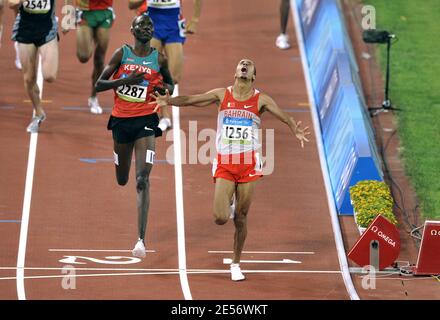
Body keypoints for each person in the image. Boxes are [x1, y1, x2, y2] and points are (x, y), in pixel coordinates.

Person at [152, 59, 310, 281]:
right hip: (225, 163)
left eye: (249, 64)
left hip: (249, 165)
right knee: (220, 217)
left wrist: (295, 129)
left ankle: (236, 263)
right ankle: (230, 203)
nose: (244, 64)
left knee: (241, 218)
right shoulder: (221, 94)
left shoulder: (260, 99)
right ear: (235, 72)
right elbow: (191, 100)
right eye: (240, 63)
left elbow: (283, 115)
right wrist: (169, 100)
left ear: (253, 75)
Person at [95, 13, 174, 258]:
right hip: (121, 121)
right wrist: (126, 80)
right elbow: (99, 84)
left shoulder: (159, 58)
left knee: (142, 179)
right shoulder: (122, 54)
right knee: (122, 179)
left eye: (150, 26)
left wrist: (164, 89)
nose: (147, 28)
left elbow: (171, 85)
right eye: (142, 25)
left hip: (146, 121)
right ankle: (120, 163)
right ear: (132, 29)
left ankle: (141, 239)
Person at [128, 0, 202, 132]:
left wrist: (195, 19)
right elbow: (131, 4)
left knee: (174, 78)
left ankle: (158, 109)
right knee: (148, 71)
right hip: (151, 24)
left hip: (173, 24)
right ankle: (163, 116)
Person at [9, 0, 60, 133]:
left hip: (47, 27)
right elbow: (11, 3)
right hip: (24, 29)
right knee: (29, 78)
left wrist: (69, 18)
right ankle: (39, 113)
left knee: (49, 75)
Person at [65, 0, 116, 114]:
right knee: (83, 56)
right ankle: (88, 38)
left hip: (104, 11)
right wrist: (68, 17)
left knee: (100, 59)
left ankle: (93, 97)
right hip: (85, 11)